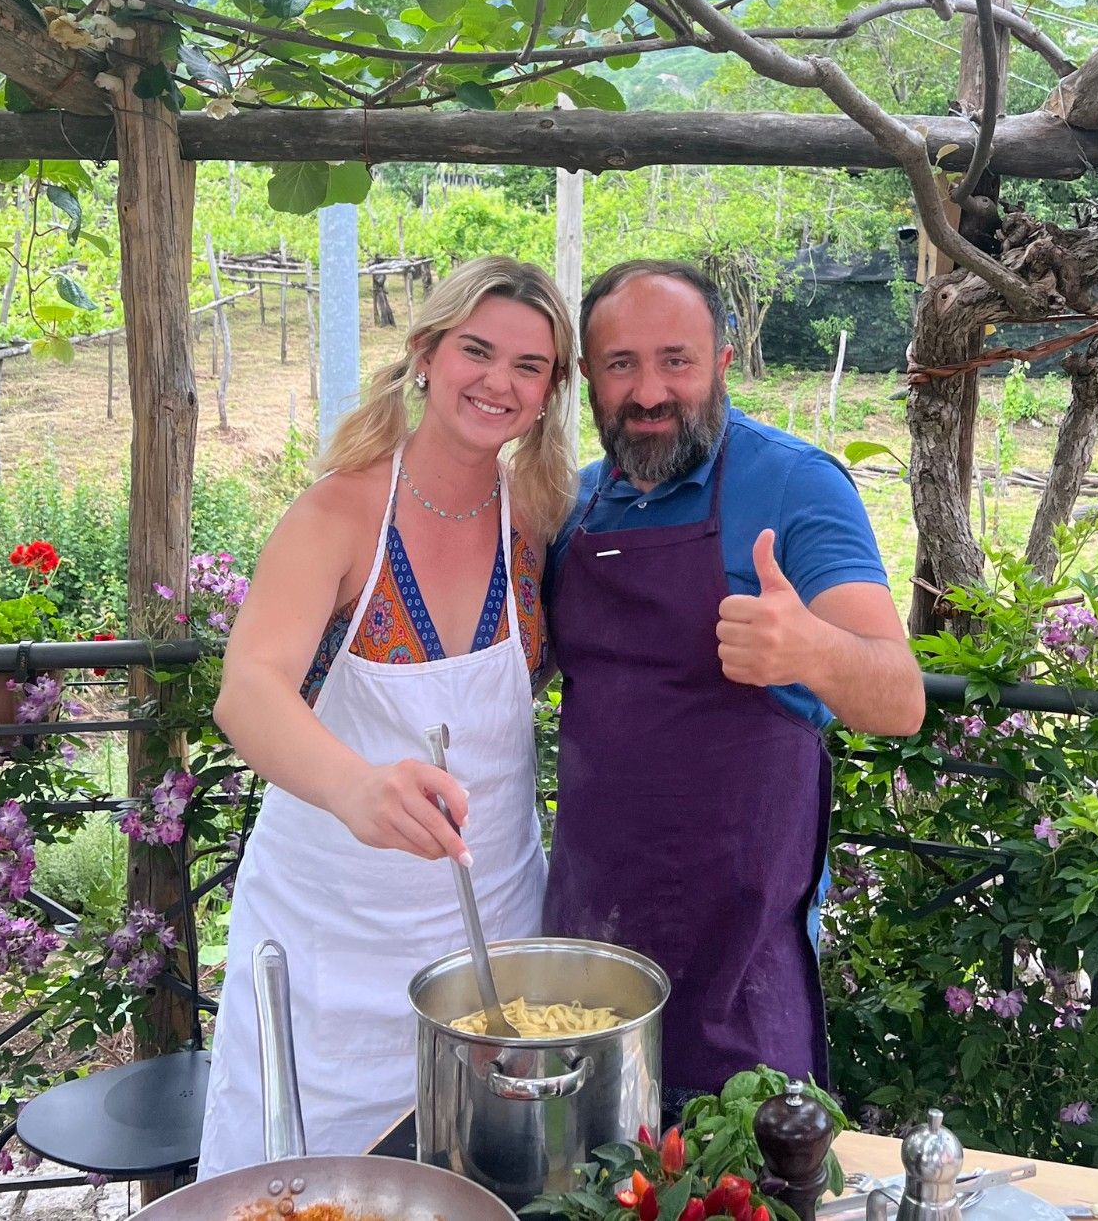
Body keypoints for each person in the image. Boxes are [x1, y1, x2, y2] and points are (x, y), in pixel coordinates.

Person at [199, 257, 577, 1178]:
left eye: (528, 366)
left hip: (491, 928)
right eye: (477, 351)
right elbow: (248, 688)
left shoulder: (538, 520)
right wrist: (357, 787)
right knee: (310, 1183)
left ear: (549, 393)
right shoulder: (338, 512)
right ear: (425, 354)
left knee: (482, 1177)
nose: (498, 381)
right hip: (331, 939)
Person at [542, 260, 925, 1105]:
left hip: (740, 965)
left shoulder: (794, 483)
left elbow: (900, 698)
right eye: (622, 364)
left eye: (675, 360)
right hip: (587, 953)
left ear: (722, 361)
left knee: (741, 1168)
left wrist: (810, 649)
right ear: (588, 378)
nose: (649, 392)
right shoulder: (571, 506)